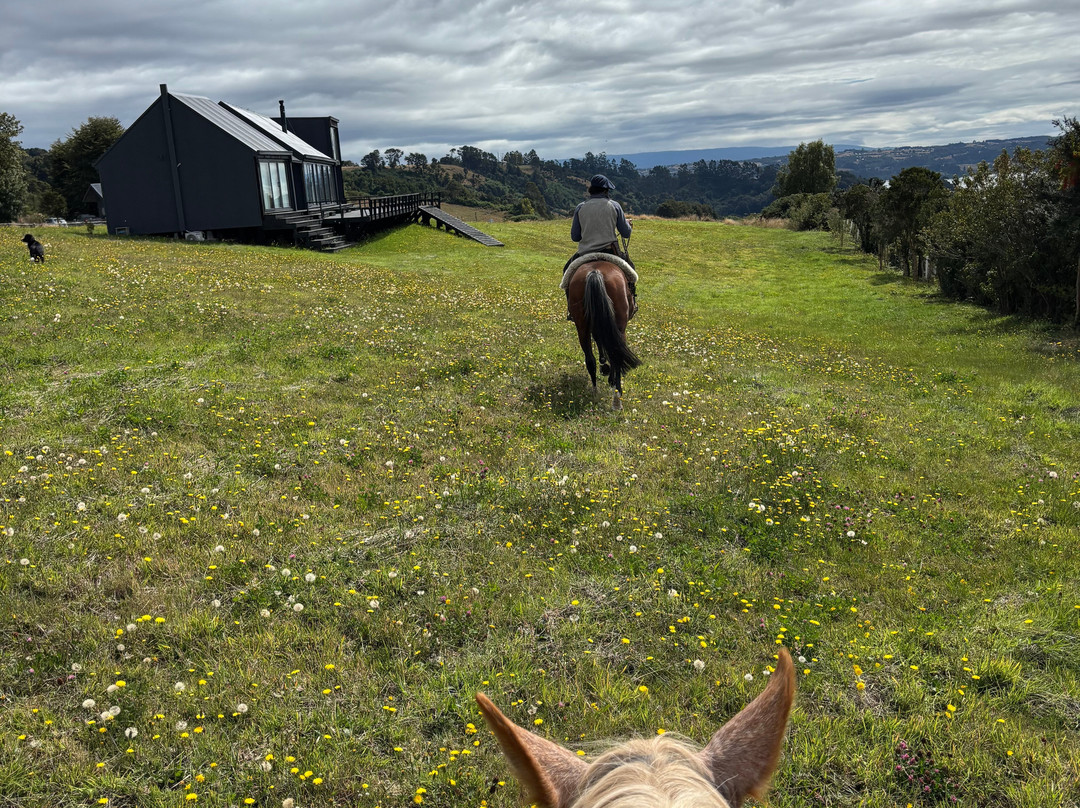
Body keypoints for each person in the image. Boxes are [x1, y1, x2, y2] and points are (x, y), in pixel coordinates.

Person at [563, 174, 635, 318]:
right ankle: (631, 305)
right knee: (630, 270)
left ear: (591, 190)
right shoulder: (614, 206)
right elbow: (626, 233)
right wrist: (627, 223)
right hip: (610, 251)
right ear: (606, 191)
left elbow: (575, 237)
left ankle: (572, 310)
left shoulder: (580, 207)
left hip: (585, 254)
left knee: (567, 272)